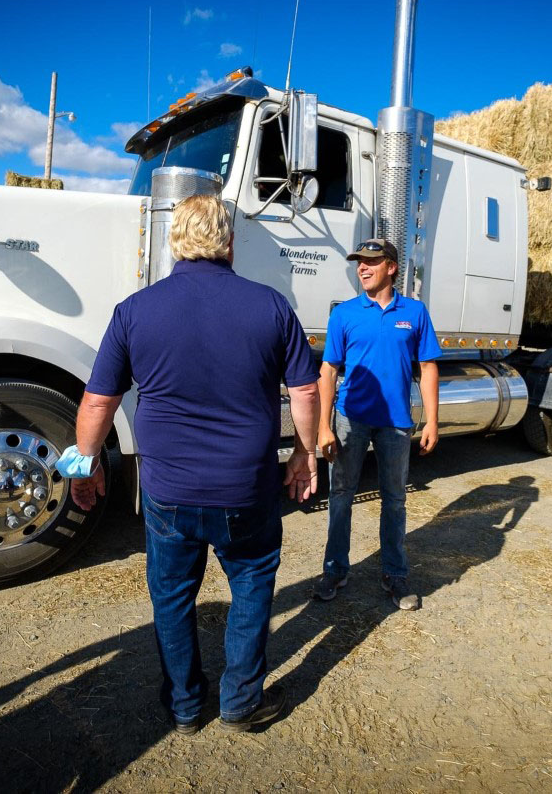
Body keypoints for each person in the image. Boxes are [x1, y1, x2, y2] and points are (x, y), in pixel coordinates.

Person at [57, 194, 320, 735]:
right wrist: (304, 453)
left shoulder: (135, 310)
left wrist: (86, 467)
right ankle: (241, 703)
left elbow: (97, 403)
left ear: (175, 241)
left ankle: (183, 707)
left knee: (173, 595)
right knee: (250, 585)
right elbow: (305, 391)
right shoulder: (270, 306)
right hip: (245, 487)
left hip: (167, 490)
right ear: (228, 241)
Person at [314, 238, 441, 611]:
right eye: (359, 262)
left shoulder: (415, 313)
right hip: (350, 418)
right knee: (340, 496)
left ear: (391, 267)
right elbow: (329, 370)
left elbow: (429, 367)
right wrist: (324, 426)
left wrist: (433, 421)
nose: (363, 268)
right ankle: (335, 570)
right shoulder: (345, 314)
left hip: (396, 423)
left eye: (371, 261)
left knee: (395, 500)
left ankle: (395, 574)